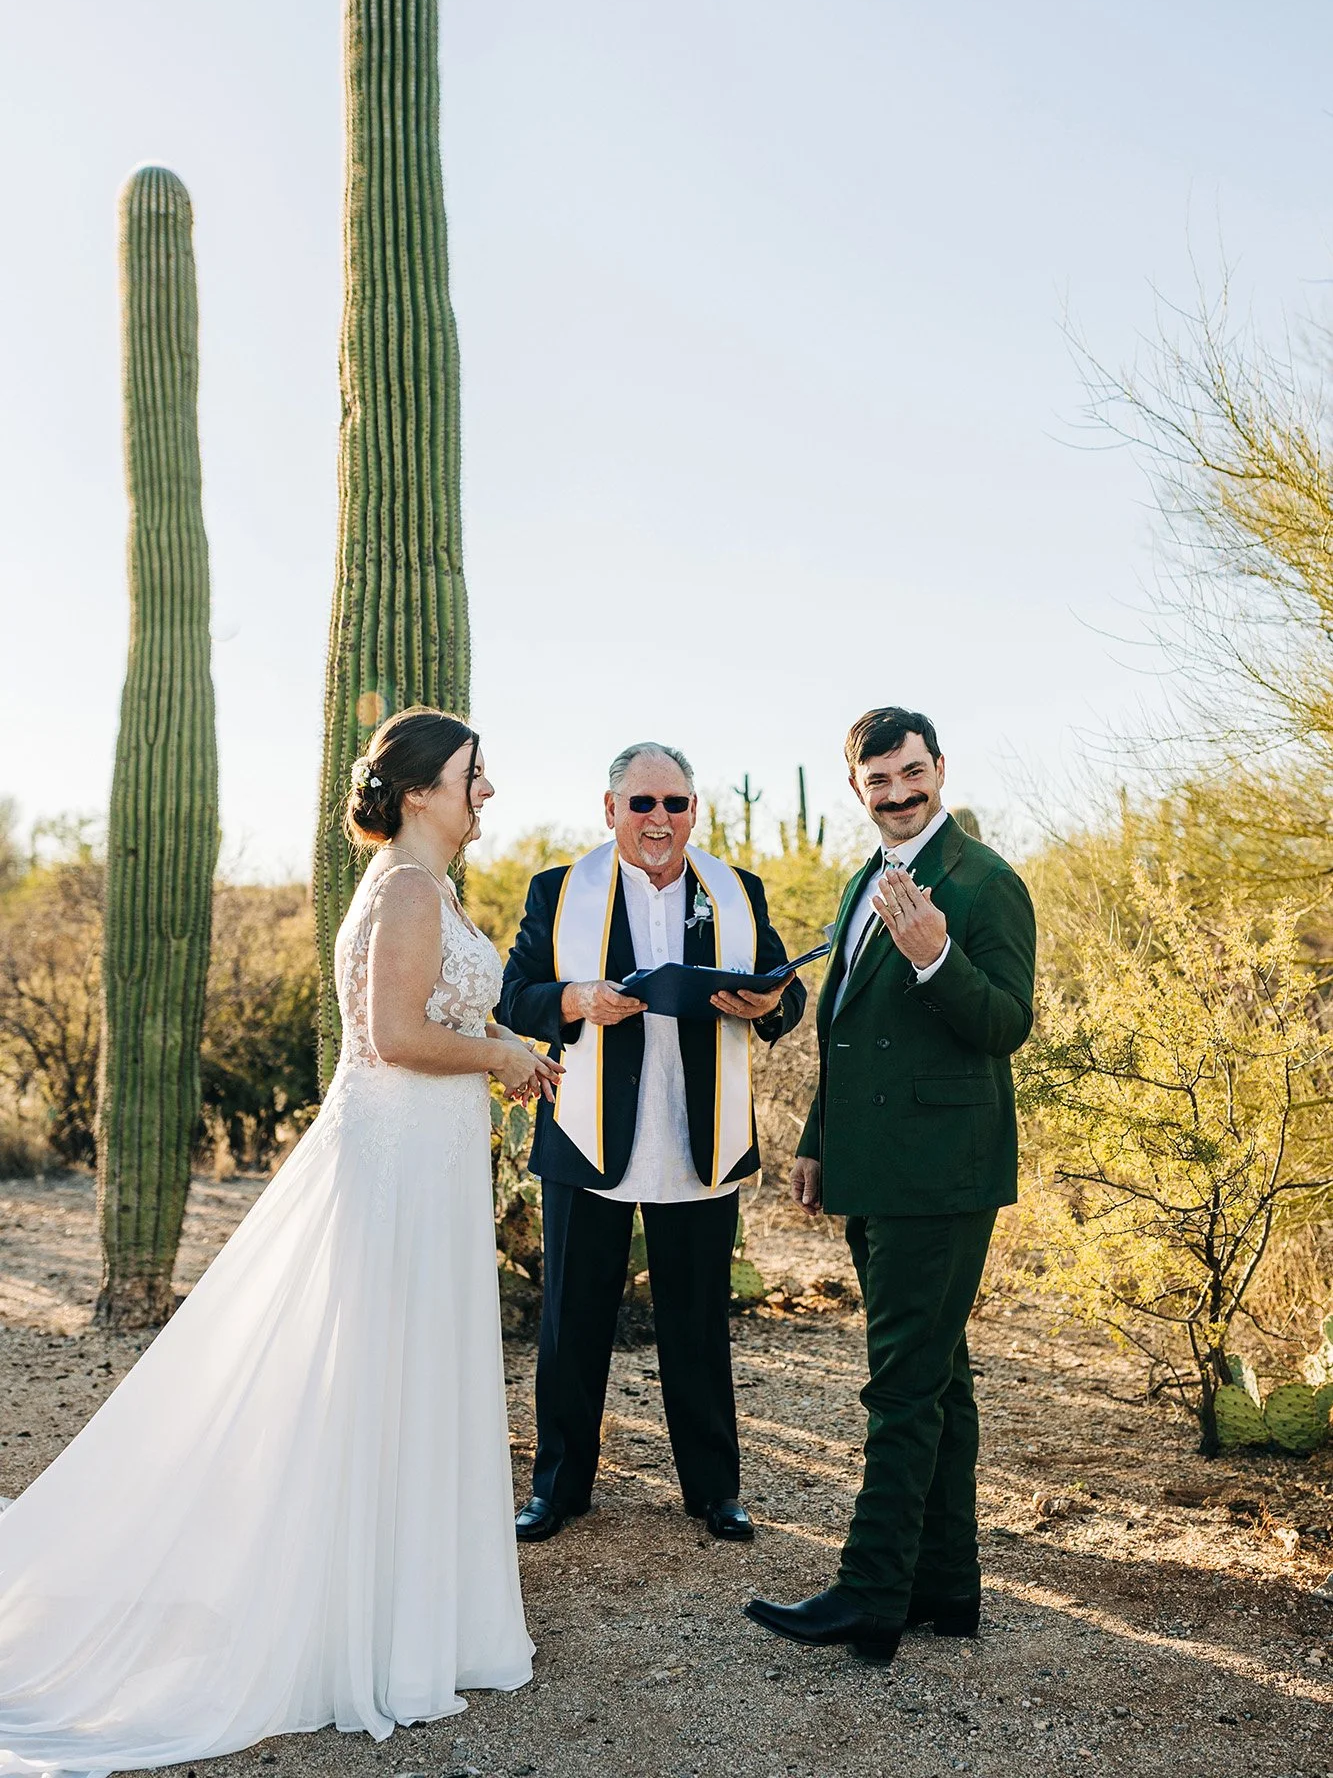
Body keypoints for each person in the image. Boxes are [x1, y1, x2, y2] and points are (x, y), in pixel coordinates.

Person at [0, 708, 555, 1776]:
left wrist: (503, 1050)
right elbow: (394, 1036)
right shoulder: (400, 889)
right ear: (418, 791)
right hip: (395, 1160)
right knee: (382, 1376)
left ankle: (407, 1612)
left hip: (422, 1157)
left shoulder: (424, 887)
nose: (487, 789)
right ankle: (365, 1625)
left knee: (407, 1376)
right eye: (471, 774)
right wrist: (500, 1053)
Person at [745, 707, 1036, 1662]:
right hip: (873, 1173)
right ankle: (945, 1588)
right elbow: (845, 1029)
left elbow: (1003, 1026)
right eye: (878, 782)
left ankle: (870, 1594)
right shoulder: (859, 880)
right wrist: (821, 1142)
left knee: (901, 1390)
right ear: (857, 789)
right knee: (937, 1383)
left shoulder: (986, 883)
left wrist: (935, 959)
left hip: (942, 1176)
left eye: (911, 773)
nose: (899, 793)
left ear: (939, 768)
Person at [497, 742, 806, 1544]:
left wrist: (762, 1003)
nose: (658, 819)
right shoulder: (559, 891)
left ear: (694, 811)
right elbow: (516, 996)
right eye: (641, 804)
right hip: (588, 1137)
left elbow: (784, 992)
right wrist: (575, 999)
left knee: (697, 1324)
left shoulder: (736, 891)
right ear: (610, 811)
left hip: (699, 1139)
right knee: (572, 1321)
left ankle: (714, 1492)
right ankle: (558, 1490)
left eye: (674, 804)